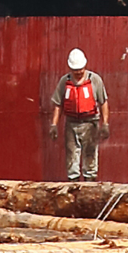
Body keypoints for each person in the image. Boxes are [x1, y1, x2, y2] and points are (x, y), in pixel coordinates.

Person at [50, 48, 109, 181]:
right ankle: (73, 183)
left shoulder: (95, 80)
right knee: (71, 156)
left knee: (90, 155)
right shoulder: (64, 82)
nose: (78, 72)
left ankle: (90, 183)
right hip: (71, 123)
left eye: (80, 69)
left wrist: (105, 123)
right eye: (75, 70)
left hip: (90, 122)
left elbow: (103, 102)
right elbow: (58, 104)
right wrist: (54, 124)